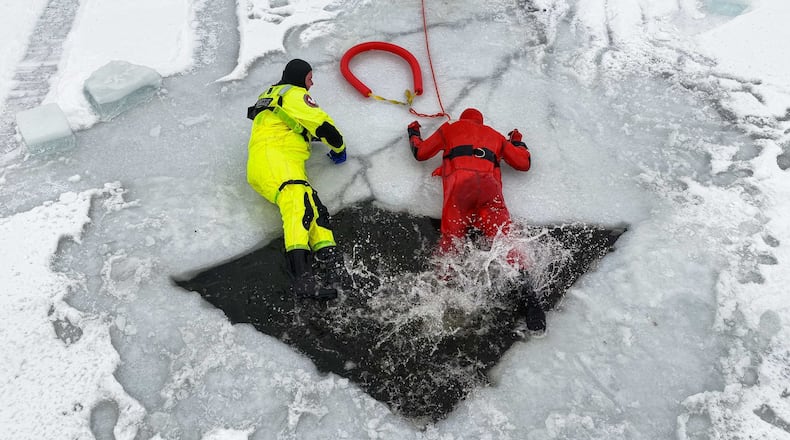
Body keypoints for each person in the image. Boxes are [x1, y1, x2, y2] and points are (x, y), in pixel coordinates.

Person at [406, 108, 546, 334]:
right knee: (505, 243)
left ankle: (439, 299)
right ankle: (530, 300)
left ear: (462, 119)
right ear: (481, 122)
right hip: (489, 190)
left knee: (451, 244)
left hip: (460, 191)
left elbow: (421, 153)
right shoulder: (495, 136)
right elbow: (523, 163)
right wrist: (517, 141)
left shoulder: (450, 129)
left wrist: (413, 132)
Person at [246, 59, 347, 300]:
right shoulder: (294, 94)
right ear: (300, 77)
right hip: (274, 160)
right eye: (310, 78)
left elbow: (288, 124)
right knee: (297, 204)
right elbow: (322, 125)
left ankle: (333, 267)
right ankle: (302, 280)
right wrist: (338, 147)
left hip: (276, 162)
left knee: (313, 207)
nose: (312, 83)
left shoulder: (273, 93)